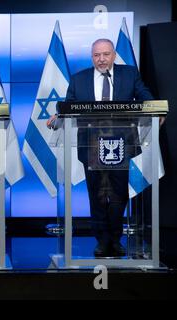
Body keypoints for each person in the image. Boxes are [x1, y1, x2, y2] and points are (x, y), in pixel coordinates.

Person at [48, 39, 154, 257]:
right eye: (97, 55)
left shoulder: (129, 74)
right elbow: (68, 105)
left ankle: (115, 239)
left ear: (114, 55)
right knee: (96, 195)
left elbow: (145, 97)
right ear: (92, 57)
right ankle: (101, 240)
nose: (102, 59)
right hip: (91, 145)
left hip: (121, 144)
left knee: (118, 194)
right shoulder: (79, 79)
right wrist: (59, 115)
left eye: (106, 54)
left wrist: (157, 111)